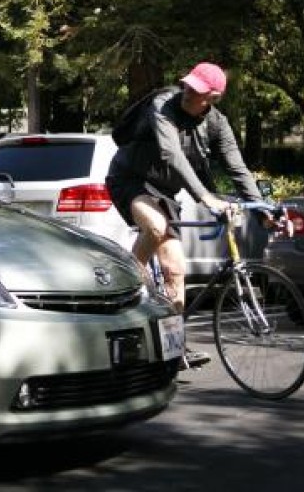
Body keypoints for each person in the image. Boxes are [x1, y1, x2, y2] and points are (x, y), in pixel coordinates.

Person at [105, 62, 264, 370]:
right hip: (130, 179)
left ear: (213, 97)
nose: (188, 92)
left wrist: (262, 210)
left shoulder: (218, 124)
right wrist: (205, 197)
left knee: (176, 269)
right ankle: (129, 284)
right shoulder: (162, 103)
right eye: (188, 85)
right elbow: (171, 154)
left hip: (164, 191)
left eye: (197, 91)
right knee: (155, 225)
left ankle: (173, 348)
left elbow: (237, 168)